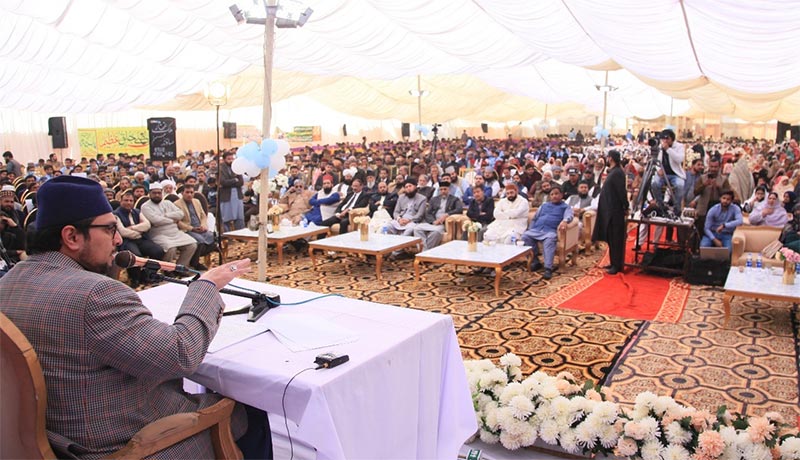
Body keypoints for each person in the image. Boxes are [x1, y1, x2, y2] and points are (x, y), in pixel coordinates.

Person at [0, 175, 271, 459]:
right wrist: (206, 287)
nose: (118, 239)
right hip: (124, 446)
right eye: (109, 229)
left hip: (58, 440)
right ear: (72, 237)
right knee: (250, 410)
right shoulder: (95, 294)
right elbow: (180, 354)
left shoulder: (6, 285)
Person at [140, 183, 197, 271]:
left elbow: (181, 214)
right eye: (154, 193)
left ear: (162, 193)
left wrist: (166, 215)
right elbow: (156, 221)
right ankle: (167, 270)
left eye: (159, 193)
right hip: (159, 234)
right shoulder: (145, 206)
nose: (157, 195)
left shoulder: (168, 203)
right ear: (150, 194)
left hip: (175, 232)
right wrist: (173, 220)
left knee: (192, 245)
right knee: (170, 248)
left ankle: (180, 268)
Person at [114, 191, 165, 285]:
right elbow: (123, 232)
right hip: (127, 241)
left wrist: (132, 228)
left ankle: (147, 275)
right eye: (126, 200)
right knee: (135, 256)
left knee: (158, 251)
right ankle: (135, 278)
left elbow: (147, 225)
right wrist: (138, 232)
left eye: (131, 201)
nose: (128, 203)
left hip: (141, 239)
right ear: (120, 201)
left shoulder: (136, 212)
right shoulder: (116, 214)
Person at [522, 187, 573, 280]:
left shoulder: (565, 207)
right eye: (552, 194)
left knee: (550, 240)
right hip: (537, 229)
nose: (554, 196)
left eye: (556, 194)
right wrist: (531, 229)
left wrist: (565, 221)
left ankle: (548, 268)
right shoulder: (544, 205)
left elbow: (569, 215)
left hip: (550, 231)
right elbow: (535, 218)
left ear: (561, 195)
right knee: (525, 236)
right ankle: (535, 262)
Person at [592, 150, 629, 275]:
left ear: (611, 158)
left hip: (615, 211)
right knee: (611, 238)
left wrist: (626, 206)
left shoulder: (618, 173)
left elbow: (621, 192)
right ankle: (613, 262)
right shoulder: (613, 172)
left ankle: (617, 265)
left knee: (616, 238)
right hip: (609, 209)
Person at [175, 184, 217, 271]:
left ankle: (194, 260)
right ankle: (195, 263)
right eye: (187, 192)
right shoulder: (177, 204)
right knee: (200, 241)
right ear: (182, 193)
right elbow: (178, 222)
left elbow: (203, 215)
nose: (189, 194)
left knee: (214, 237)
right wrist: (192, 228)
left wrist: (203, 225)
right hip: (187, 230)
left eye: (191, 192)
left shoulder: (196, 201)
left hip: (200, 228)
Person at [413, 179, 463, 250]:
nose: (443, 191)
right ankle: (425, 250)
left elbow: (459, 209)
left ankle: (424, 252)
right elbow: (428, 213)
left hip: (442, 224)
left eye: (445, 189)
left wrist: (447, 214)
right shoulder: (434, 199)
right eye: (441, 189)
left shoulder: (454, 199)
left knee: (436, 232)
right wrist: (433, 221)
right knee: (417, 229)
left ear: (449, 190)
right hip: (433, 222)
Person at [650, 129, 686, 215]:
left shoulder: (679, 146)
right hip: (663, 173)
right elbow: (655, 160)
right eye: (663, 138)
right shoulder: (659, 146)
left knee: (680, 185)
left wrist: (668, 149)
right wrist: (658, 169)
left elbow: (679, 159)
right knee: (655, 183)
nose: (665, 141)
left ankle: (677, 208)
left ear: (672, 139)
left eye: (667, 138)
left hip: (675, 174)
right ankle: (660, 205)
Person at [219, 151, 245, 231]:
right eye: (228, 159)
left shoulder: (236, 167)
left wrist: (231, 181)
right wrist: (234, 180)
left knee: (239, 217)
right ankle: (228, 235)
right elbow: (223, 182)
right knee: (226, 218)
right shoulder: (220, 168)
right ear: (224, 159)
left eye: (232, 159)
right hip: (226, 196)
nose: (231, 161)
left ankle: (240, 234)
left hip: (237, 195)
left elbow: (241, 182)